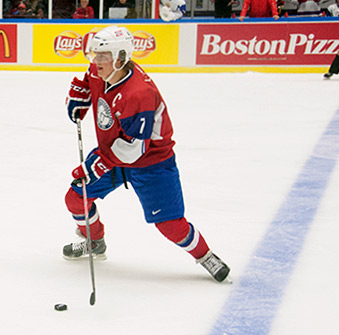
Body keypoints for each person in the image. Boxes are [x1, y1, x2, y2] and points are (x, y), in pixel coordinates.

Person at [63, 26, 230, 282]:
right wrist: (82, 94)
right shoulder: (101, 71)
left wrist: (97, 165)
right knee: (76, 198)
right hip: (113, 154)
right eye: (95, 55)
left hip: (151, 162)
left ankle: (205, 254)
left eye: (103, 56)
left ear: (120, 57)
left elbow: (132, 150)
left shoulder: (138, 93)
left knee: (170, 225)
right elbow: (90, 82)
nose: (96, 62)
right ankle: (94, 241)